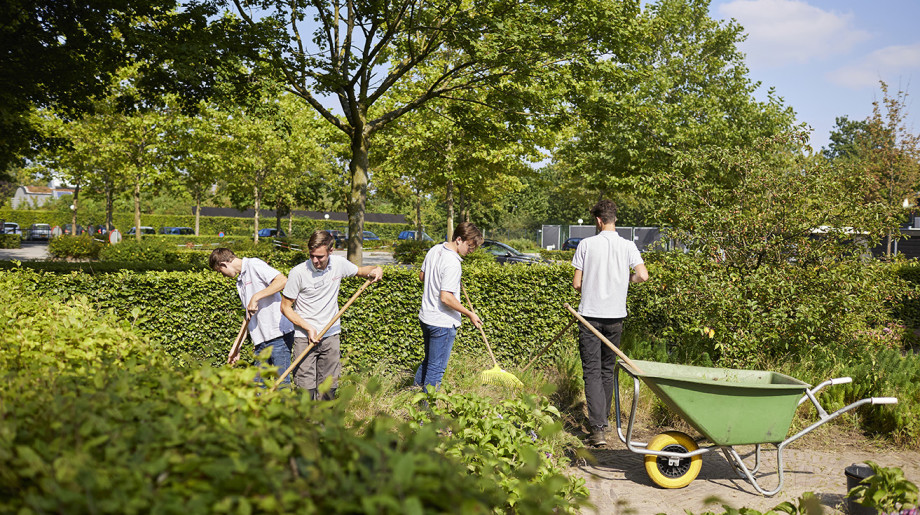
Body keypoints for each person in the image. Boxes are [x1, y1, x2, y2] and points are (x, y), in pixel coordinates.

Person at [572, 200, 649, 447]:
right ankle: (602, 422)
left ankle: (597, 430)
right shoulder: (628, 246)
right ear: (614, 219)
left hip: (590, 318)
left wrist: (592, 285)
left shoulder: (586, 244)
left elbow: (576, 284)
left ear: (598, 220)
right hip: (616, 318)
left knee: (592, 372)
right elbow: (643, 275)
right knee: (607, 369)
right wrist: (625, 280)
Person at [281, 230, 383, 400]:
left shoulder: (338, 264)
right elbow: (285, 307)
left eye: (320, 257)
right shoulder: (298, 273)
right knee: (305, 390)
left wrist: (376, 269)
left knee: (328, 388)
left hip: (331, 335)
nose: (315, 261)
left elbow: (361, 271)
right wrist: (308, 328)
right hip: (304, 338)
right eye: (312, 255)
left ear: (331, 251)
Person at [209, 248, 295, 385]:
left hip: (278, 335)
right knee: (258, 385)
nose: (223, 276)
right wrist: (236, 347)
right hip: (260, 340)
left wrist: (256, 296)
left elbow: (282, 281)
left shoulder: (253, 264)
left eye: (220, 271)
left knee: (281, 384)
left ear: (223, 264)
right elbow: (248, 316)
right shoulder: (240, 282)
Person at [414, 222, 484, 392]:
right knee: (436, 369)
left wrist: (443, 278)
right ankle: (427, 408)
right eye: (470, 246)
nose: (471, 251)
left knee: (428, 361)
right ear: (459, 239)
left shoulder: (434, 250)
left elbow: (422, 276)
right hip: (442, 323)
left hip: (426, 318)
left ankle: (413, 396)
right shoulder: (453, 262)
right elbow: (446, 298)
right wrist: (470, 314)